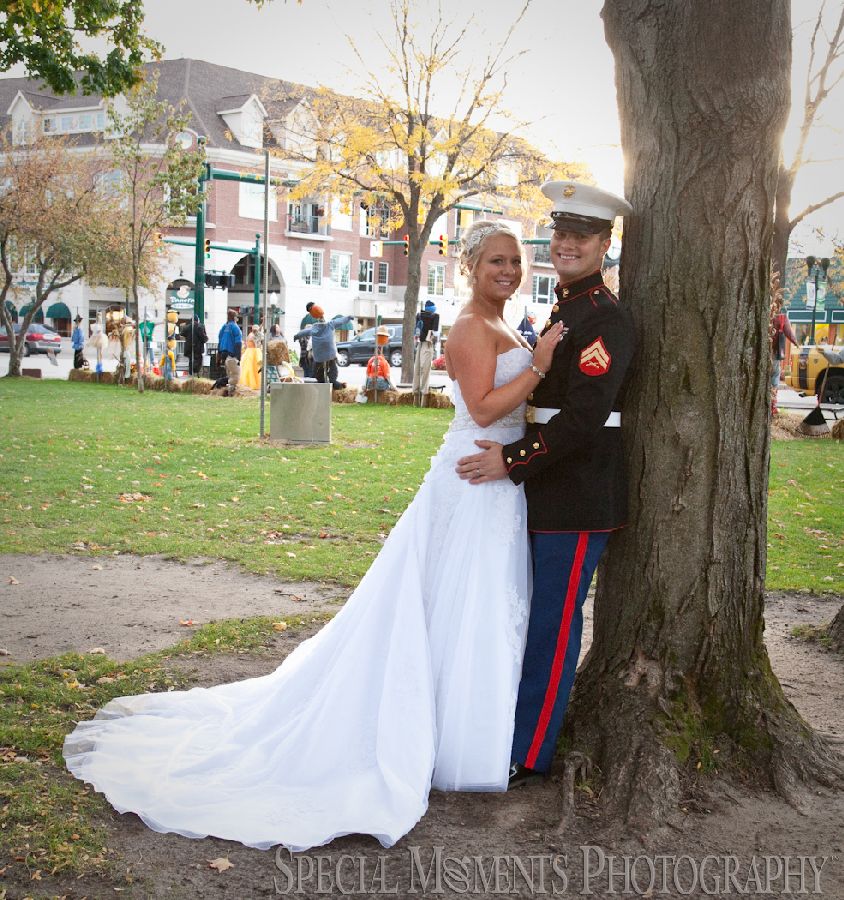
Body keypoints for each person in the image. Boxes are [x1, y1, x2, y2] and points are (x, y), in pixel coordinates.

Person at [62, 220, 563, 852]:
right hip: (471, 482)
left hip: (499, 481)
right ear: (469, 267)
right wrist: (540, 367)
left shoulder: (506, 323)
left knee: (477, 608)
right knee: (456, 602)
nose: (508, 271)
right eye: (496, 261)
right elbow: (486, 406)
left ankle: (466, 731)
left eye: (515, 261)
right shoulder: (467, 326)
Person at [456, 181, 636, 788]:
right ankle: (511, 733)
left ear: (604, 245)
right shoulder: (566, 308)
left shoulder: (604, 318)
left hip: (579, 494)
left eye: (580, 236)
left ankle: (528, 752)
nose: (567, 244)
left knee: (551, 628)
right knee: (528, 619)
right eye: (560, 233)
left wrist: (513, 460)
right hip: (546, 488)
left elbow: (585, 419)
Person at [294, 305, 352, 391]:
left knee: (317, 374)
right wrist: (348, 318)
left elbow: (304, 332)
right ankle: (334, 383)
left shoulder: (314, 328)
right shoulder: (330, 325)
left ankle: (324, 384)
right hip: (330, 355)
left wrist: (296, 336)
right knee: (333, 372)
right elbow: (340, 321)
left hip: (319, 357)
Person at [412, 300, 440, 406]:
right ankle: (423, 399)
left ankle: (416, 399)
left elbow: (416, 330)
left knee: (417, 369)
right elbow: (435, 331)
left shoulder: (419, 315)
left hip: (420, 343)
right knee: (425, 370)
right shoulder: (435, 316)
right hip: (428, 344)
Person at [770, 308, 798, 415]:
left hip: (763, 352)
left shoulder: (768, 314)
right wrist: (796, 343)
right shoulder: (782, 317)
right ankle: (773, 405)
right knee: (774, 379)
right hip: (774, 354)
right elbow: (789, 333)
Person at [298, 301, 317, 378]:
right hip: (307, 358)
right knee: (309, 375)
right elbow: (305, 344)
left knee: (309, 374)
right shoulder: (310, 318)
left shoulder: (308, 318)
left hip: (309, 358)